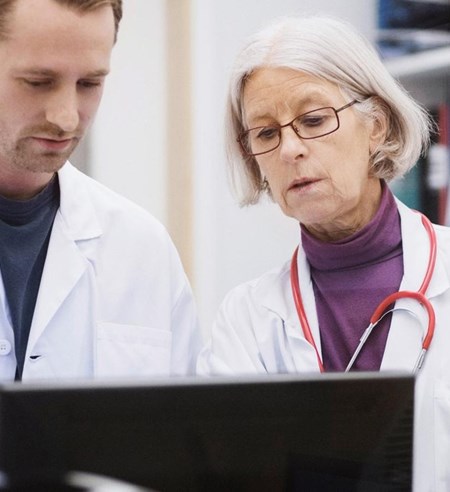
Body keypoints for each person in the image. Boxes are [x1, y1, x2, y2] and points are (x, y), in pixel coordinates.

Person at [197, 15, 450, 491]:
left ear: (376, 124)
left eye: (313, 120)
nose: (290, 148)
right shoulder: (247, 319)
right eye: (266, 133)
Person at [0, 0, 201, 381]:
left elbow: (183, 430)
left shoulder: (143, 250)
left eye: (89, 83)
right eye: (38, 82)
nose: (66, 117)